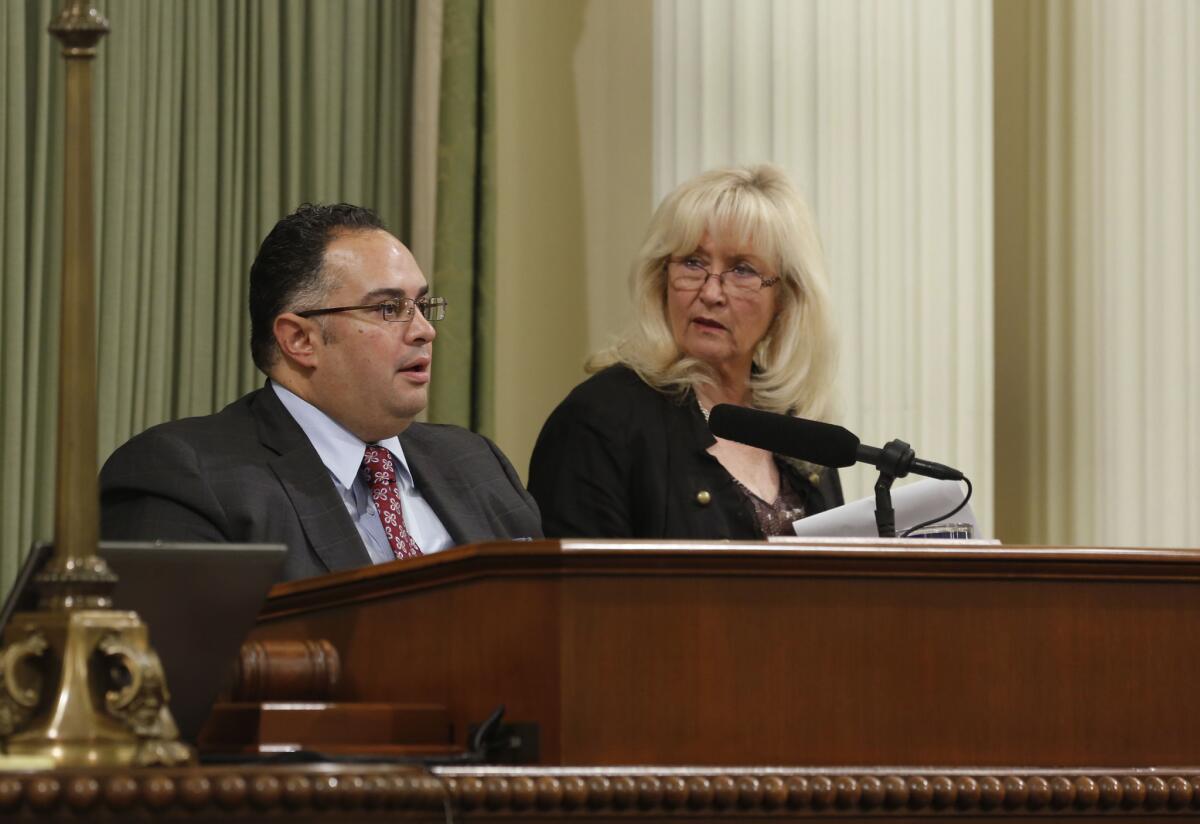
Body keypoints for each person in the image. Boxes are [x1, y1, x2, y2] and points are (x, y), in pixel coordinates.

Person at [101, 203, 541, 581]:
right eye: (390, 308)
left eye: (423, 306)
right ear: (299, 340)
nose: (425, 331)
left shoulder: (476, 462)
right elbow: (175, 666)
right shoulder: (187, 476)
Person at [528, 165, 843, 539]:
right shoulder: (600, 420)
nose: (710, 293)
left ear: (785, 299)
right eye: (693, 263)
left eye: (742, 270)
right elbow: (577, 592)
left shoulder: (799, 431)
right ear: (661, 278)